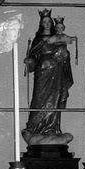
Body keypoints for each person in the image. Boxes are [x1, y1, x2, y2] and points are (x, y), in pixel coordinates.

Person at [22, 10, 75, 145]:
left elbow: (65, 56)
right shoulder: (38, 40)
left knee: (55, 98)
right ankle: (35, 128)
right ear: (41, 24)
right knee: (39, 99)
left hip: (56, 73)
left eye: (48, 22)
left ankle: (52, 129)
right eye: (44, 22)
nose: (46, 24)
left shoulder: (58, 38)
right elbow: (34, 57)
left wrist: (63, 55)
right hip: (42, 72)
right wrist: (30, 61)